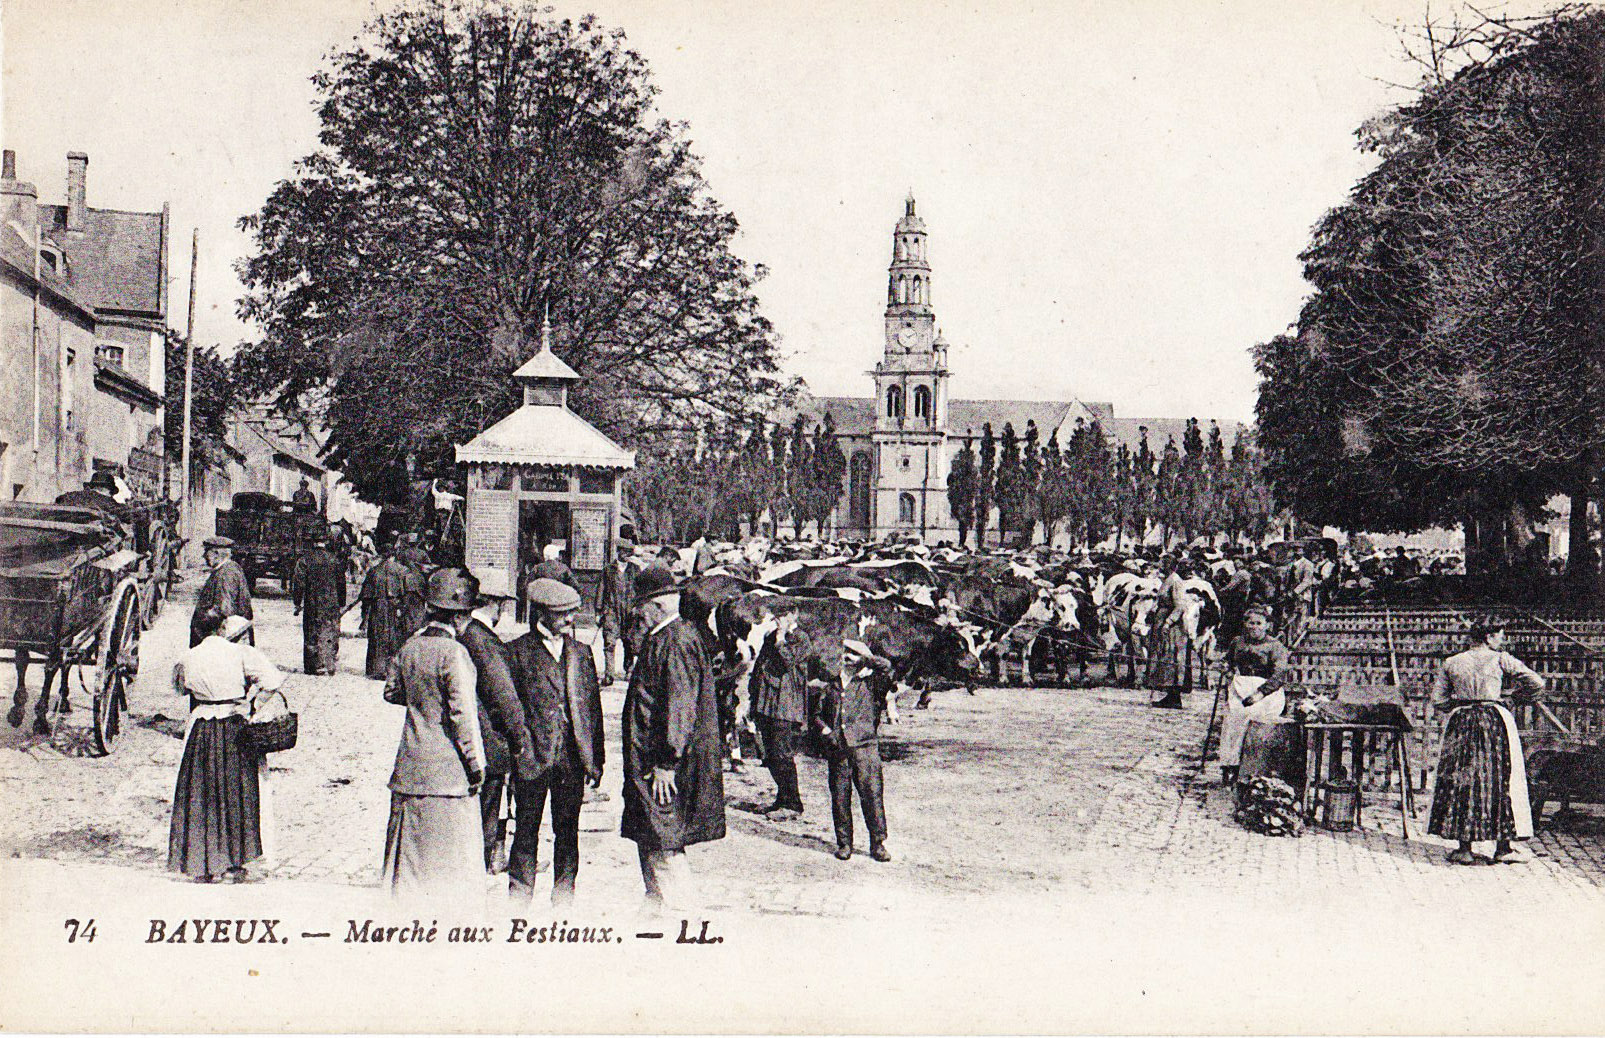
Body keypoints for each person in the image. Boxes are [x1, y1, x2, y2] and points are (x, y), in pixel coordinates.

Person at [619, 565, 725, 911]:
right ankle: (655, 910)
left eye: (641, 608)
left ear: (658, 606)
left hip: (663, 768)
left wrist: (667, 763)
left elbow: (679, 707)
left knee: (663, 841)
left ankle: (683, 918)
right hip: (651, 762)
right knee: (650, 836)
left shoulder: (676, 641)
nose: (637, 615)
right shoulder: (670, 637)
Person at [380, 568, 486, 901]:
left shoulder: (410, 645)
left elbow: (392, 693)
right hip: (447, 770)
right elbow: (463, 716)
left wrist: (422, 699)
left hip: (410, 762)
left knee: (409, 855)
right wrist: (476, 764)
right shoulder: (455, 654)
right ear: (461, 617)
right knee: (446, 856)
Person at [504, 578, 605, 904]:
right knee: (525, 831)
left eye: (573, 612)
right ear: (542, 614)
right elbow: (509, 711)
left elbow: (592, 710)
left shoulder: (582, 653)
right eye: (562, 613)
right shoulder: (517, 652)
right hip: (532, 758)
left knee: (568, 831)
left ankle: (564, 898)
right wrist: (514, 755)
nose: (570, 619)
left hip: (571, 760)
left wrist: (596, 760)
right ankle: (519, 897)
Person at [168, 615, 282, 883]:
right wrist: (252, 705)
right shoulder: (241, 653)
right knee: (236, 793)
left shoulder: (188, 657)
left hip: (203, 729)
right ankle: (234, 863)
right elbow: (273, 681)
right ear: (222, 628)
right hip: (233, 726)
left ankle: (204, 865)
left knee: (202, 794)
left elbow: (180, 688)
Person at [1427, 620, 1544, 866]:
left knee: (1462, 780)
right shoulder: (1501, 659)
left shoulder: (1452, 662)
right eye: (1500, 636)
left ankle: (1465, 850)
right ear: (1489, 637)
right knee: (1501, 779)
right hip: (1494, 721)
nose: (1502, 641)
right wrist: (1514, 698)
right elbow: (1537, 682)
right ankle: (1503, 848)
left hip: (1462, 721)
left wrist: (1459, 705)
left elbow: (1438, 699)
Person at [454, 579, 533, 874]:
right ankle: (485, 861)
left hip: (467, 737)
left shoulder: (464, 633)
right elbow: (504, 697)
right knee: (489, 804)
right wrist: (518, 738)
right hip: (489, 738)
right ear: (495, 604)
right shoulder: (484, 640)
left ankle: (488, 857)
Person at [815, 639, 892, 861]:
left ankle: (877, 844)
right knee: (840, 798)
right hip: (838, 749)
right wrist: (826, 731)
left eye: (853, 655)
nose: (848, 658)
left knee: (872, 796)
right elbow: (817, 714)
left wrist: (866, 659)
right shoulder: (832, 685)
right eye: (846, 654)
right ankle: (844, 843)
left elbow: (886, 666)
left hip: (865, 749)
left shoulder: (872, 683)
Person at [1217, 608, 1290, 786]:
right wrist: (1225, 666)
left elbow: (1279, 675)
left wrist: (1260, 694)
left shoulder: (1275, 646)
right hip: (1240, 687)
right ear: (1245, 624)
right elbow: (1229, 660)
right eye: (1251, 623)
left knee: (1254, 722)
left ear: (1267, 625)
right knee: (1232, 722)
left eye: (1259, 623)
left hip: (1266, 693)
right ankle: (1230, 766)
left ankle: (1253, 770)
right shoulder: (1237, 642)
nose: (1254, 627)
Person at [750, 618, 812, 820]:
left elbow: (788, 662)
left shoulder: (800, 638)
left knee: (782, 754)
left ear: (794, 614)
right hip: (767, 704)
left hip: (785, 706)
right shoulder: (771, 637)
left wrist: (780, 640)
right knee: (770, 754)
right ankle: (782, 799)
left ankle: (793, 804)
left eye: (783, 614)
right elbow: (759, 667)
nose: (777, 618)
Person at [359, 542, 420, 680]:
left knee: (377, 637)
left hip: (377, 608)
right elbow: (409, 596)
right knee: (395, 637)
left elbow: (366, 597)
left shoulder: (373, 571)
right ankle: (393, 670)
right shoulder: (403, 571)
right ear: (394, 555)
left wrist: (364, 615)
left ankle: (376, 669)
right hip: (395, 608)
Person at [291, 530, 346, 675]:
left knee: (311, 632)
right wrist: (342, 601)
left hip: (312, 602)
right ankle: (329, 664)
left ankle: (313, 666)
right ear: (326, 542)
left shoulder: (305, 560)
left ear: (313, 542)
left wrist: (297, 602)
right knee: (330, 631)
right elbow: (341, 582)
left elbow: (299, 583)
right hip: (331, 602)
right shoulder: (334, 559)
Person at [190, 536, 253, 648]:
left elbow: (224, 609)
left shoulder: (225, 574)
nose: (203, 556)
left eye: (206, 552)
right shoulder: (230, 568)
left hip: (221, 641)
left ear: (217, 553)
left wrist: (201, 622)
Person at [1147, 556, 1188, 709]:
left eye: (1162, 564)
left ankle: (1174, 697)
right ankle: (1169, 694)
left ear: (1169, 565)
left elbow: (1180, 606)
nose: (1159, 567)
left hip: (1173, 627)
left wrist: (1168, 622)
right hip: (1162, 622)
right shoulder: (1167, 580)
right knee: (1164, 657)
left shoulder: (1175, 581)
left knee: (1172, 657)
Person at [598, 544, 639, 683]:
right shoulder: (608, 570)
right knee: (609, 642)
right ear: (618, 552)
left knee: (629, 642)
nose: (627, 555)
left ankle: (629, 670)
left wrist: (638, 607)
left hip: (629, 611)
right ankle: (609, 674)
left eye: (629, 553)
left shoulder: (634, 570)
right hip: (611, 610)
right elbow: (601, 590)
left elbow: (640, 590)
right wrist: (598, 611)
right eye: (625, 552)